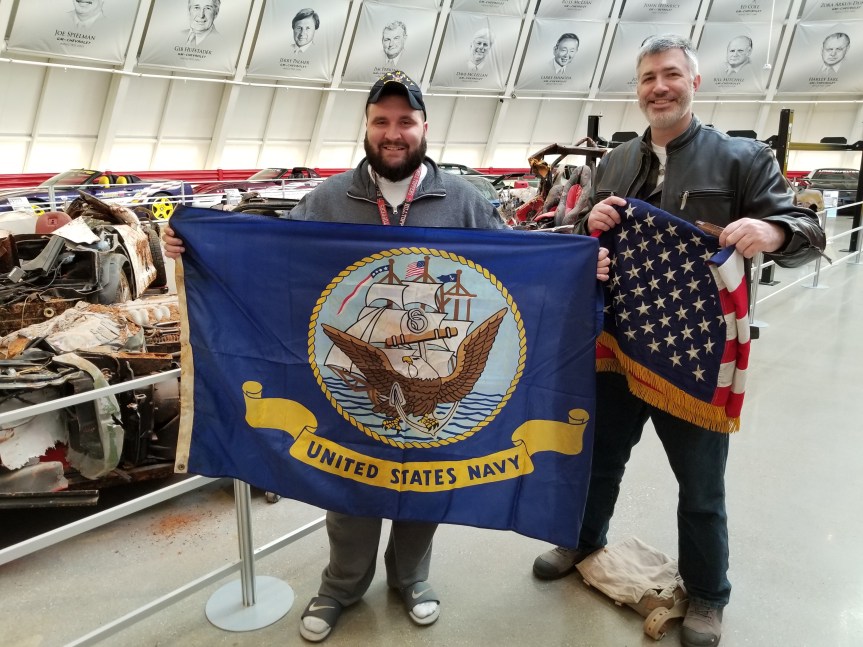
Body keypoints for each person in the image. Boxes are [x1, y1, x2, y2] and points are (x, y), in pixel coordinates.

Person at [162, 68, 611, 643]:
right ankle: (341, 586)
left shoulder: (466, 202)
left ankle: (411, 579)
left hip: (433, 377)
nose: (393, 132)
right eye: (381, 121)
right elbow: (274, 266)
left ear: (425, 127)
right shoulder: (328, 200)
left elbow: (520, 265)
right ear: (367, 127)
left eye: (405, 121)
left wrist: (578, 267)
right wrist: (197, 248)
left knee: (427, 482)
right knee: (347, 489)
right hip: (353, 386)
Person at [530, 34, 825, 647]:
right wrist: (590, 225)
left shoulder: (742, 159)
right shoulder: (612, 163)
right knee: (599, 458)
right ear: (637, 91)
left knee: (700, 481)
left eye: (670, 75)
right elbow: (573, 236)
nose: (658, 87)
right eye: (646, 79)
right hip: (618, 341)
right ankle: (585, 539)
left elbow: (808, 231)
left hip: (696, 354)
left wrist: (770, 229)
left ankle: (709, 593)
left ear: (694, 82)